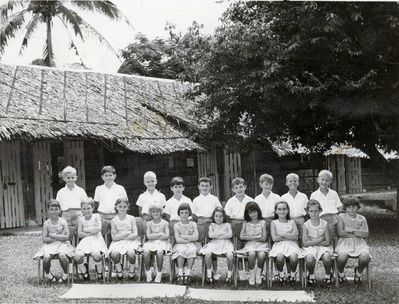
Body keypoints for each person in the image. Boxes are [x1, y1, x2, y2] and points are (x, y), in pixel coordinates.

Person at [33, 199, 74, 283]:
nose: (54, 212)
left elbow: (66, 237)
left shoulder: (63, 222)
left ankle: (66, 274)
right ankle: (48, 274)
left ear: (59, 210)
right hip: (50, 245)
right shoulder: (46, 223)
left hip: (62, 244)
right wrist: (58, 237)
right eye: (51, 209)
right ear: (48, 210)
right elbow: (45, 239)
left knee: (62, 255)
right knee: (46, 257)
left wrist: (52, 235)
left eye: (56, 209)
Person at [335, 196, 370, 283]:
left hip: (359, 243)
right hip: (344, 242)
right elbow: (341, 233)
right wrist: (358, 234)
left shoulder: (362, 219)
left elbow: (365, 234)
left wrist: (352, 230)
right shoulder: (341, 217)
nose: (351, 210)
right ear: (345, 208)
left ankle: (358, 273)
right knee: (342, 257)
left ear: (358, 207)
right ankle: (341, 273)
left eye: (354, 207)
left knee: (365, 257)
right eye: (349, 207)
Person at [235, 201, 269, 286]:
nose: (253, 214)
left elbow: (264, 238)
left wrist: (249, 237)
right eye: (250, 213)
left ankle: (258, 273)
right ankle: (252, 273)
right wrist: (256, 237)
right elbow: (241, 236)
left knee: (261, 255)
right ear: (247, 214)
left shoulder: (263, 222)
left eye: (254, 212)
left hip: (261, 245)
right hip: (250, 245)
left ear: (258, 211)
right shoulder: (246, 223)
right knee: (251, 253)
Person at [73, 198, 108, 281]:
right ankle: (85, 273)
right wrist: (92, 231)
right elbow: (80, 234)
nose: (86, 211)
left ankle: (99, 274)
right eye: (84, 209)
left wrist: (85, 230)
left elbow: (98, 228)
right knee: (77, 256)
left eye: (88, 208)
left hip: (97, 240)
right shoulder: (81, 220)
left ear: (93, 208)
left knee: (96, 254)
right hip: (85, 242)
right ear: (81, 210)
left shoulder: (96, 216)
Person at [269, 200, 303, 284]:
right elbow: (274, 238)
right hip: (279, 245)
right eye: (279, 209)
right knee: (279, 257)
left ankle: (292, 274)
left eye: (284, 209)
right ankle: (281, 274)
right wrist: (289, 236)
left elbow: (296, 236)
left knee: (294, 257)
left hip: (292, 245)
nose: (282, 211)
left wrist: (282, 234)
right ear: (276, 211)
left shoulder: (292, 222)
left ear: (287, 210)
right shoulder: (274, 223)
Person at [199, 206, 234, 283]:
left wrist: (217, 234)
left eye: (221, 216)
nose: (218, 218)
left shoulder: (227, 224)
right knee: (207, 253)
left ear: (224, 217)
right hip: (214, 244)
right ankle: (209, 274)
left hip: (226, 244)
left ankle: (229, 274)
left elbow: (230, 235)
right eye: (216, 216)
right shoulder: (212, 225)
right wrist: (223, 234)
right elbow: (211, 235)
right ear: (214, 217)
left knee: (230, 255)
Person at [108, 198, 140, 280]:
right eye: (120, 206)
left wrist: (121, 236)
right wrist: (127, 233)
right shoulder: (113, 220)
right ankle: (119, 270)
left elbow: (135, 234)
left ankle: (132, 270)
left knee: (131, 252)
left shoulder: (132, 218)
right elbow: (114, 238)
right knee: (114, 253)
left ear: (128, 207)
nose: (122, 208)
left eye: (124, 206)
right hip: (118, 242)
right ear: (116, 207)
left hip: (130, 241)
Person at [302, 200, 333, 285]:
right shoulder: (306, 225)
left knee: (327, 257)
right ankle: (311, 275)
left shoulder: (324, 224)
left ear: (320, 211)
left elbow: (327, 242)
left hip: (323, 247)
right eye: (311, 211)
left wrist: (312, 242)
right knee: (309, 258)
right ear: (307, 212)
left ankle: (328, 275)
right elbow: (305, 243)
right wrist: (320, 240)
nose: (314, 213)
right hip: (310, 247)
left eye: (316, 211)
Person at [94, 165, 128, 237]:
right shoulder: (99, 188)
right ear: (102, 177)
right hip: (102, 216)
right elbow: (96, 203)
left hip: (116, 215)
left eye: (110, 175)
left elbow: (125, 203)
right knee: (102, 235)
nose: (108, 177)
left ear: (114, 176)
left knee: (116, 234)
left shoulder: (120, 188)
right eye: (106, 175)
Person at [171, 203, 201, 284]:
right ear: (179, 214)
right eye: (182, 213)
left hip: (191, 245)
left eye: (186, 213)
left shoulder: (193, 224)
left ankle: (187, 274)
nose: (184, 215)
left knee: (191, 250)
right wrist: (190, 238)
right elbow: (178, 240)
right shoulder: (176, 225)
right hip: (180, 244)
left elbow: (196, 237)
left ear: (189, 213)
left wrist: (183, 236)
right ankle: (180, 274)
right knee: (180, 251)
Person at [55, 166, 88, 240]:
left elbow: (85, 203)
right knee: (67, 233)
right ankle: (68, 249)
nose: (71, 179)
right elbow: (58, 206)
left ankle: (79, 248)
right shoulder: (61, 192)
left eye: (72, 177)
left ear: (76, 177)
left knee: (80, 233)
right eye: (68, 178)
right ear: (64, 178)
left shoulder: (80, 190)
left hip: (78, 214)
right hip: (66, 215)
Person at [142, 203, 172, 283]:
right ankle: (148, 272)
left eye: (157, 211)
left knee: (159, 252)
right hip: (151, 242)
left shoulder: (165, 223)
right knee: (146, 251)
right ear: (150, 213)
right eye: (153, 212)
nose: (155, 213)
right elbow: (148, 236)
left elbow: (166, 236)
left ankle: (159, 273)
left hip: (163, 242)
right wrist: (160, 234)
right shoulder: (149, 223)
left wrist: (154, 235)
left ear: (161, 212)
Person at [310, 170, 342, 238]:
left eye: (327, 180)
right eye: (322, 179)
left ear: (330, 181)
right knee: (323, 238)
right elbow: (312, 210)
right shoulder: (314, 195)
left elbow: (339, 207)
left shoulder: (334, 193)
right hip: (321, 219)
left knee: (333, 237)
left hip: (333, 219)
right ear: (318, 180)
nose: (324, 182)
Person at [192, 177, 222, 242]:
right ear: (198, 187)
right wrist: (199, 221)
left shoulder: (214, 199)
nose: (204, 188)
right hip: (200, 223)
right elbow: (193, 214)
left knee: (212, 239)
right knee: (200, 238)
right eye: (202, 186)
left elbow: (220, 212)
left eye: (207, 186)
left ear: (210, 187)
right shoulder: (196, 200)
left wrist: (211, 220)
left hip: (212, 222)